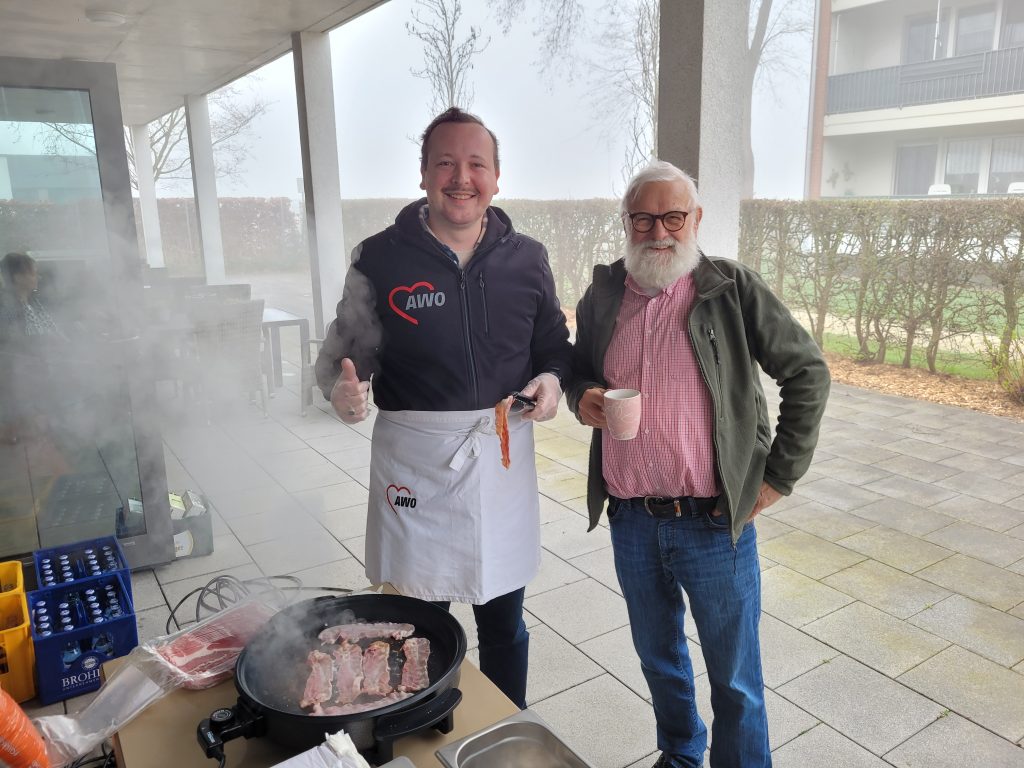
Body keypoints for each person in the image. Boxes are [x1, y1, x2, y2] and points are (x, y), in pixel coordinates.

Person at [566, 160, 829, 768]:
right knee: (658, 659)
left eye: (673, 216)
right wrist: (584, 398)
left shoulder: (730, 289)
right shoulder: (604, 295)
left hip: (713, 523)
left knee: (735, 679)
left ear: (696, 220)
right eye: (643, 217)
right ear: (627, 222)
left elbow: (807, 372)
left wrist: (777, 476)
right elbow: (578, 368)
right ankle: (682, 754)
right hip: (631, 519)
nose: (658, 230)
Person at [314, 107, 572, 709]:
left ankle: (507, 728)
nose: (462, 177)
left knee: (504, 622)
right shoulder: (379, 258)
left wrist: (555, 380)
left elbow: (554, 347)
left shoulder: (526, 258)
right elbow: (338, 358)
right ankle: (417, 727)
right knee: (414, 625)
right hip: (415, 469)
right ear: (424, 174)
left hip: (500, 457)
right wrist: (342, 394)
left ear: (497, 177)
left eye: (476, 164)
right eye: (446, 163)